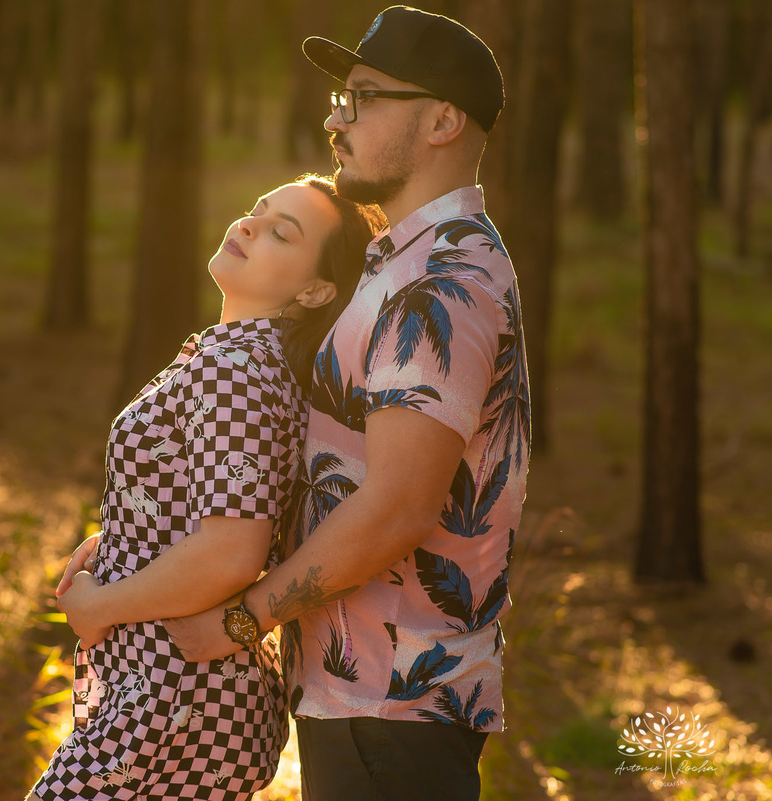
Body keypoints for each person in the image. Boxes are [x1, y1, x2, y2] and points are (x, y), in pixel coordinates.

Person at [158, 7, 533, 801]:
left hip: (392, 707)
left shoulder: (443, 281)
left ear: (442, 122)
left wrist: (244, 618)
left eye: (364, 98)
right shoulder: (401, 262)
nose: (336, 119)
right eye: (341, 98)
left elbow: (397, 507)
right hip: (364, 696)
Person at [26, 176, 381, 801]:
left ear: (315, 289)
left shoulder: (234, 371)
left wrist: (98, 607)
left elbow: (231, 553)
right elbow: (208, 502)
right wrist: (120, 537)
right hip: (175, 692)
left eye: (281, 233)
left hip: (176, 697)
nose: (248, 225)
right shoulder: (244, 360)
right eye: (256, 211)